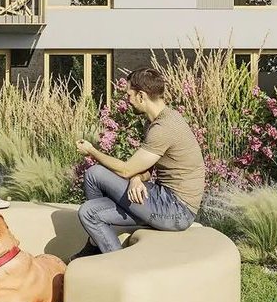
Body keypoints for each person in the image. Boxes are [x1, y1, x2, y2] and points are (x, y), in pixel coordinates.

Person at [73, 67, 205, 256]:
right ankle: (97, 239)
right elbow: (145, 169)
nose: (128, 100)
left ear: (141, 96)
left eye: (129, 95)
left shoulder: (163, 127)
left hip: (177, 210)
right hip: (162, 197)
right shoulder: (156, 121)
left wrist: (91, 151)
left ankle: (115, 263)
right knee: (91, 193)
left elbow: (126, 170)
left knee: (92, 196)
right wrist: (136, 179)